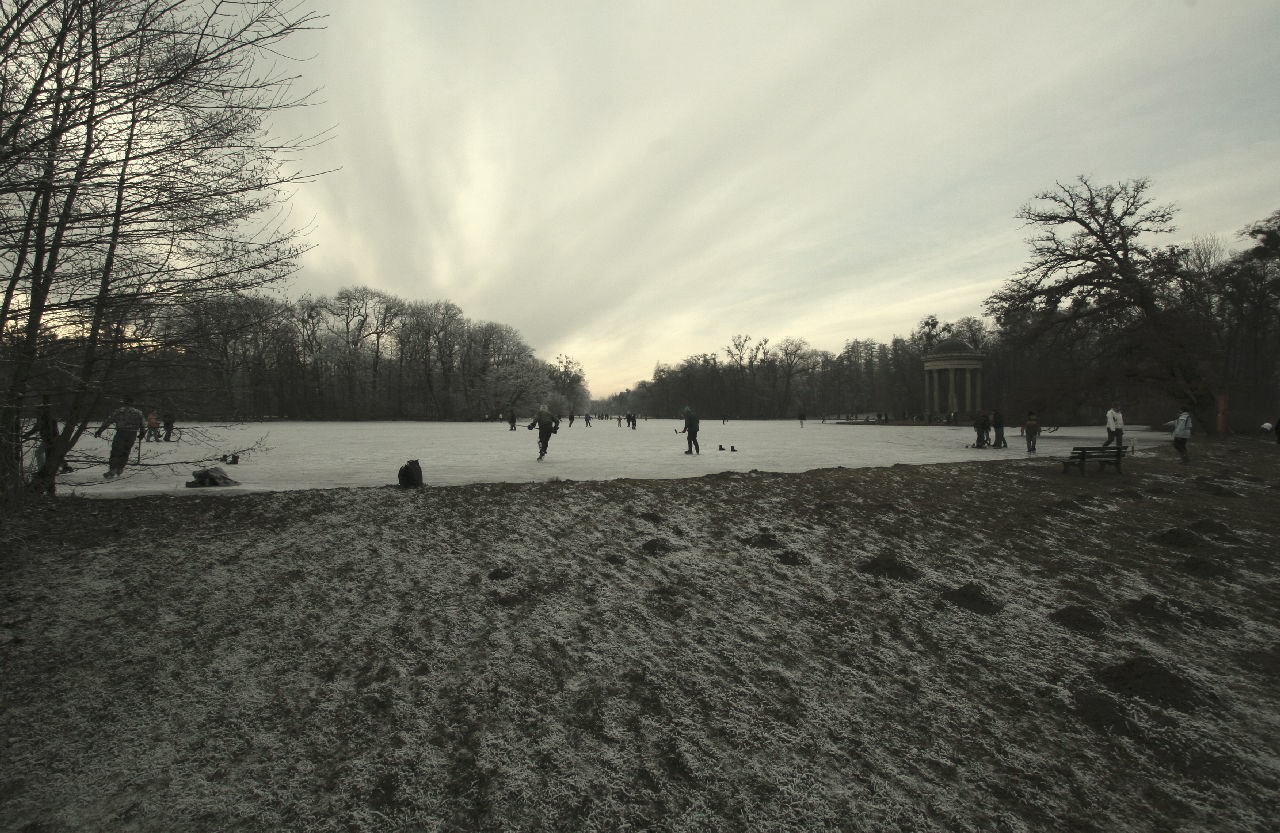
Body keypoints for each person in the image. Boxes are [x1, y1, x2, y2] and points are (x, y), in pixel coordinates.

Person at [94, 395, 145, 478]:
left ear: (124, 402)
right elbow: (142, 424)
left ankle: (112, 469)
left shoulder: (119, 411)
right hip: (132, 434)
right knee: (126, 451)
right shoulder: (138, 412)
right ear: (133, 403)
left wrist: (100, 430)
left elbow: (109, 421)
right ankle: (120, 468)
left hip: (121, 433)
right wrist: (142, 432)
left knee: (116, 451)